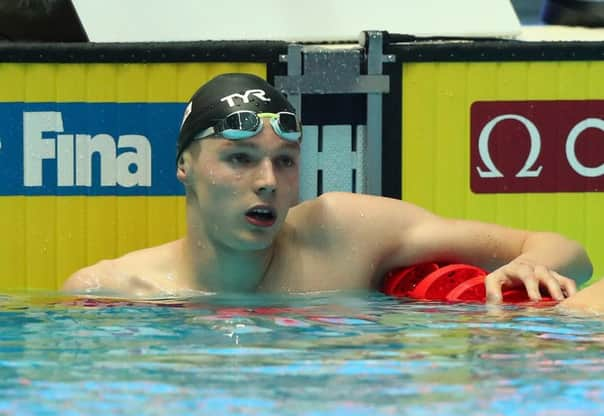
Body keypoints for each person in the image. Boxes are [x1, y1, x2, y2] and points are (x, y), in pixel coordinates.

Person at [62, 73, 593, 302]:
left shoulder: (346, 232)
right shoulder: (111, 293)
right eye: (240, 159)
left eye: (285, 161)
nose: (267, 182)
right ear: (185, 167)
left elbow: (572, 252)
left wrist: (534, 264)